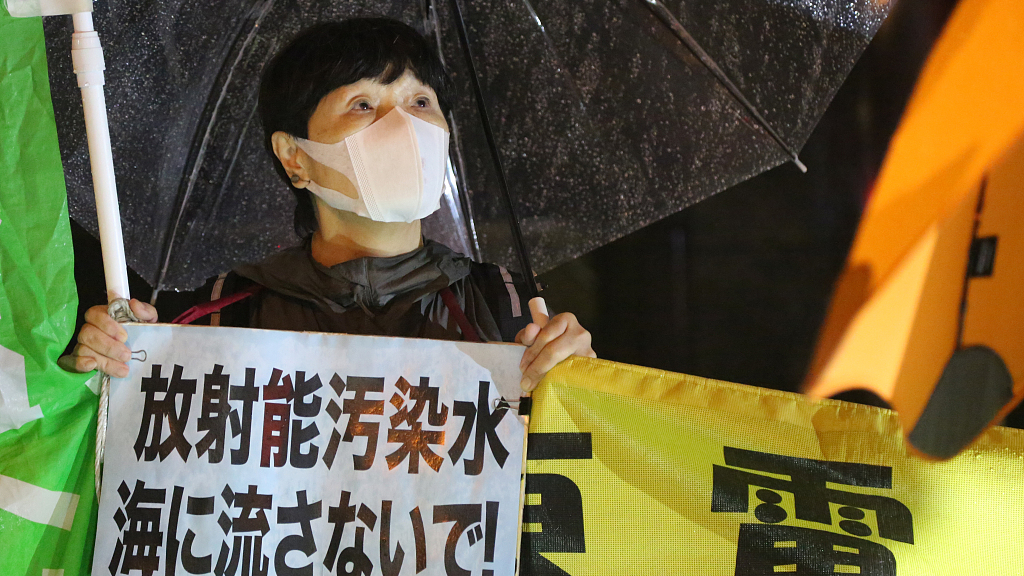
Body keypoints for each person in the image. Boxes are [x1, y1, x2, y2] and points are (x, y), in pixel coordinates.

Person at [61, 18, 595, 393]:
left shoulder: (510, 310)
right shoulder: (223, 317)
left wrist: (581, 385)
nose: (404, 126)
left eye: (421, 101)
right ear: (294, 157)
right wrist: (96, 364)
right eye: (364, 104)